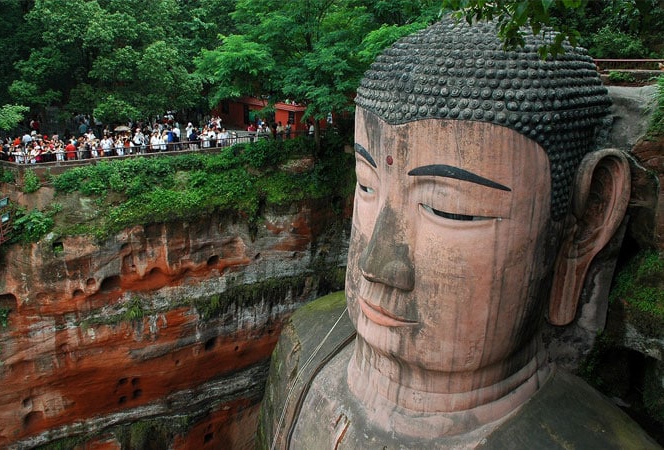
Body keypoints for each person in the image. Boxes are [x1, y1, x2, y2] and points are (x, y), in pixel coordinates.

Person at [257, 18, 660, 449]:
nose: (375, 265)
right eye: (366, 184)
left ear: (586, 224)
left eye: (451, 210)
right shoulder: (305, 343)